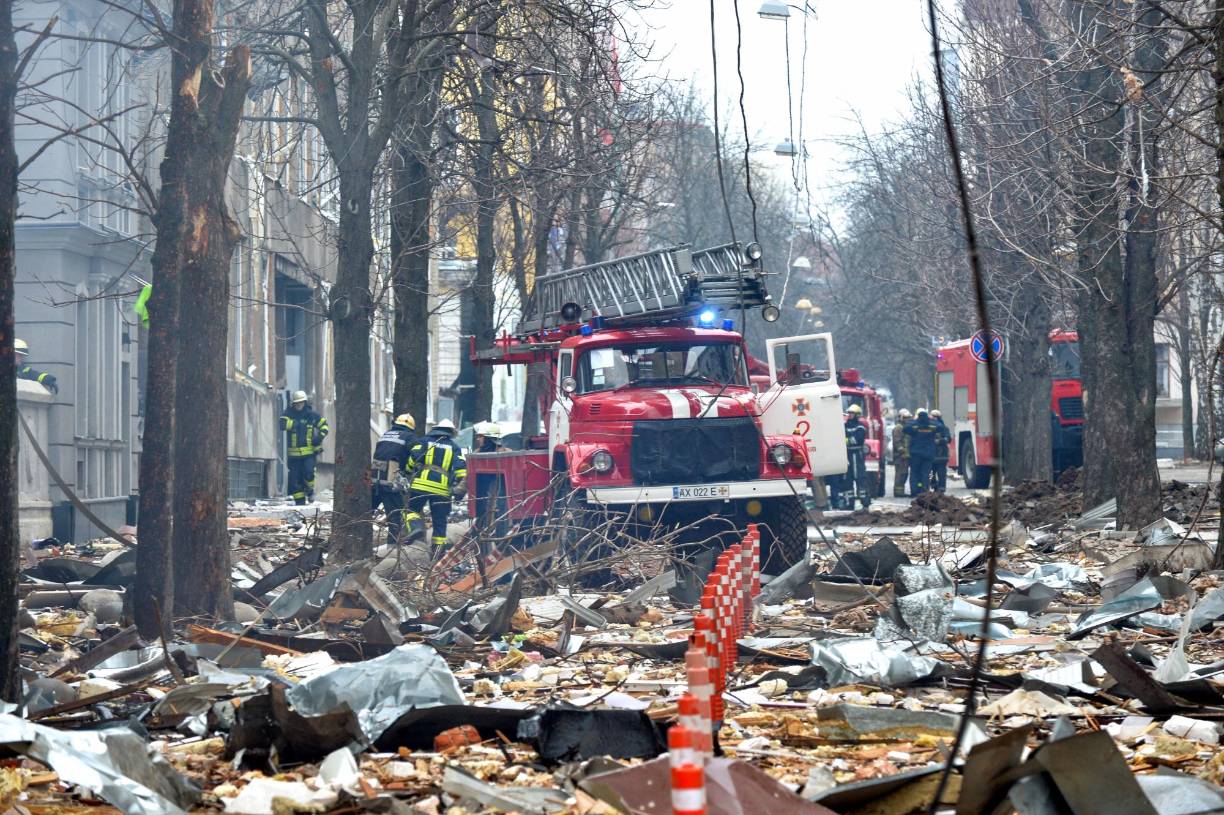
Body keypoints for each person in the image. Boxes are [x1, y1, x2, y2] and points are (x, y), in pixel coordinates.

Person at [406, 419, 467, 559]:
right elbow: (461, 471)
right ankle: (438, 556)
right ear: (451, 432)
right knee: (440, 523)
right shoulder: (454, 446)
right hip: (441, 490)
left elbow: (412, 459)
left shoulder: (423, 441)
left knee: (412, 510)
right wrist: (458, 489)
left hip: (420, 485)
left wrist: (408, 470)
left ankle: (415, 528)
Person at [371, 413, 416, 544]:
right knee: (395, 517)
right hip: (391, 482)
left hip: (375, 479)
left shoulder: (385, 434)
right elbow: (417, 453)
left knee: (366, 514)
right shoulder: (409, 437)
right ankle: (392, 549)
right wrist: (408, 470)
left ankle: (359, 541)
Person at [279, 390, 328, 505]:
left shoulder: (311, 415)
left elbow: (324, 426)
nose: (299, 405)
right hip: (294, 456)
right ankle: (300, 502)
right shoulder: (289, 413)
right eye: (297, 403)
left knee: (309, 473)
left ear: (305, 402)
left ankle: (310, 491)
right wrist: (294, 424)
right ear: (293, 404)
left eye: (301, 403)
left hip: (309, 453)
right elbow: (282, 424)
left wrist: (319, 438)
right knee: (295, 480)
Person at [471, 421, 506, 537]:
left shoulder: (505, 454)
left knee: (499, 526)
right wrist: (459, 490)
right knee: (481, 526)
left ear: (489, 438)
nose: (478, 439)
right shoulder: (476, 454)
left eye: (481, 437)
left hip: (500, 502)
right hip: (481, 498)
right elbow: (469, 475)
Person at [837, 404, 871, 510]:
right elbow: (839, 438)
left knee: (861, 479)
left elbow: (857, 440)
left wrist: (846, 440)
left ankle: (865, 503)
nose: (850, 415)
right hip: (847, 455)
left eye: (852, 413)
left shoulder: (860, 427)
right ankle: (849, 503)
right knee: (847, 480)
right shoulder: (844, 426)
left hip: (857, 456)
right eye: (849, 413)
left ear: (857, 415)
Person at [904, 408, 938, 496]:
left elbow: (905, 428)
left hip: (916, 454)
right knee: (926, 473)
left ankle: (915, 491)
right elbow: (941, 427)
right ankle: (925, 490)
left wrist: (915, 421)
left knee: (915, 473)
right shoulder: (932, 426)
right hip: (928, 454)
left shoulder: (914, 425)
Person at [891, 408, 911, 497]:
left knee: (904, 473)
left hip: (905, 456)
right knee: (900, 474)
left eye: (908, 418)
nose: (907, 419)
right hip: (900, 456)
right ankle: (898, 492)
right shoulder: (898, 428)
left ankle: (901, 491)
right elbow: (897, 441)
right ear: (901, 417)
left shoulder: (906, 428)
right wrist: (902, 451)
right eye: (905, 418)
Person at [931, 409, 952, 493]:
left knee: (941, 473)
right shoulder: (929, 428)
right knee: (930, 473)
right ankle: (933, 484)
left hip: (941, 455)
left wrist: (939, 441)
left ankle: (941, 488)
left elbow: (948, 439)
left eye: (935, 417)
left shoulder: (944, 428)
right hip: (932, 455)